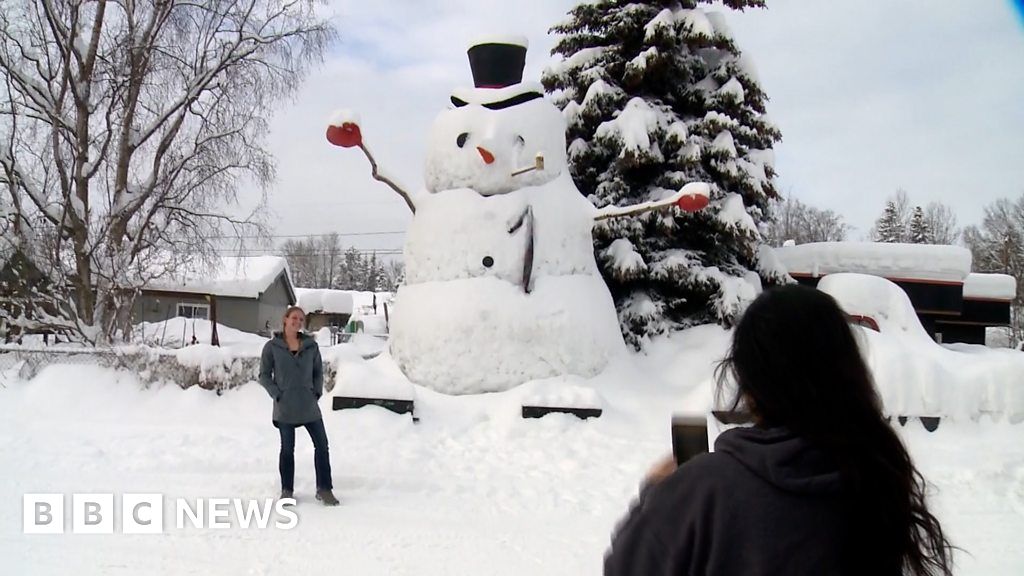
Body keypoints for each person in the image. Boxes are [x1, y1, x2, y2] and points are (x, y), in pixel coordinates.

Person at [604, 285, 953, 576]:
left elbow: (627, 568)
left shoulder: (704, 490)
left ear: (750, 381)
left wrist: (656, 492)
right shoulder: (876, 476)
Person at [259, 306, 339, 506]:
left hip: (308, 406)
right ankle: (287, 490)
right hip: (285, 406)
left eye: (301, 319)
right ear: (285, 320)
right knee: (287, 449)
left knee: (322, 446)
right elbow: (264, 375)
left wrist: (316, 393)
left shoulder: (311, 346)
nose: (297, 322)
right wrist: (277, 394)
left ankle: (325, 489)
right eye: (294, 318)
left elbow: (318, 372)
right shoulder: (272, 347)